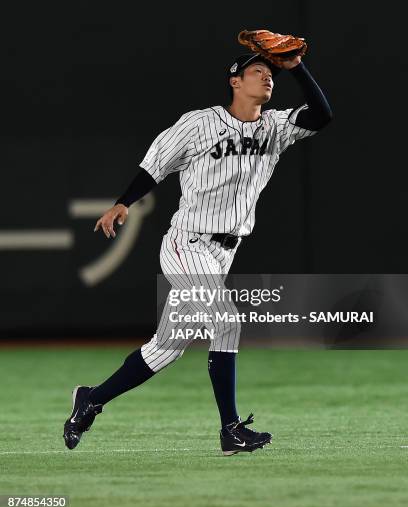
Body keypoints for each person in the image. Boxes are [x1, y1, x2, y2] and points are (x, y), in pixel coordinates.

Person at [63, 50, 332, 456]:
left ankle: (91, 400)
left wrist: (297, 68)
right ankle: (231, 430)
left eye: (271, 73)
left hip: (223, 253)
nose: (267, 77)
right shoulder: (200, 123)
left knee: (166, 348)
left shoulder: (276, 126)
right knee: (226, 323)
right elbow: (156, 165)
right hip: (187, 244)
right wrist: (124, 202)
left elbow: (321, 115)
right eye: (257, 71)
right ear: (235, 82)